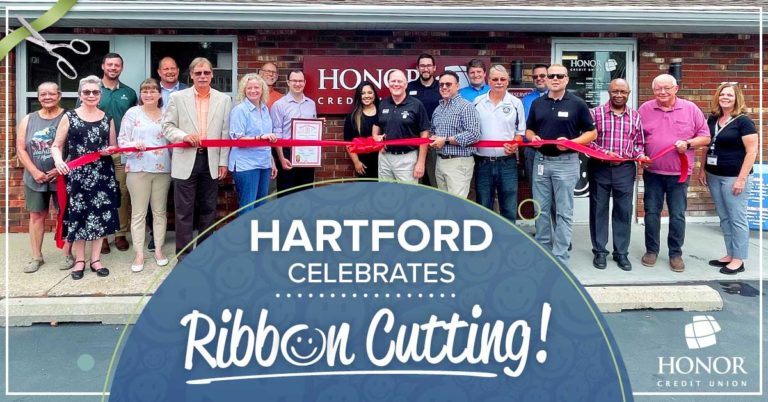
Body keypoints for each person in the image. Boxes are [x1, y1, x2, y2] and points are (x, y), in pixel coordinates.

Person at [526, 64, 596, 267]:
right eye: (551, 76)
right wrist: (533, 138)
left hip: (566, 163)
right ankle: (543, 250)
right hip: (541, 161)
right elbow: (529, 130)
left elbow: (592, 133)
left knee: (564, 212)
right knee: (541, 209)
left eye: (559, 75)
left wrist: (571, 143)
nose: (555, 79)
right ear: (545, 79)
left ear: (566, 79)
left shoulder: (577, 103)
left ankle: (560, 256)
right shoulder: (538, 103)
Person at [638, 74, 710, 272]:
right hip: (652, 172)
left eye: (666, 88)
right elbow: (636, 138)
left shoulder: (690, 109)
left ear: (675, 89)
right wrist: (641, 154)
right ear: (653, 91)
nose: (662, 92)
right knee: (651, 213)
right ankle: (651, 250)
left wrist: (688, 143)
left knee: (677, 215)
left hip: (679, 174)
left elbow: (705, 137)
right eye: (658, 89)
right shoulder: (645, 109)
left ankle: (675, 253)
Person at [162, 57, 232, 260]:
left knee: (209, 209)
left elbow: (225, 134)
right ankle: (184, 256)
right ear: (191, 75)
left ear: (212, 75)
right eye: (198, 73)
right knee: (183, 211)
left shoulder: (223, 100)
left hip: (210, 161)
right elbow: (167, 126)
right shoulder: (177, 97)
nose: (203, 76)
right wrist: (183, 136)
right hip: (185, 160)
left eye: (206, 73)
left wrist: (223, 162)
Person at [51, 75, 119, 280]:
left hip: (102, 175)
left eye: (95, 92)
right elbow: (56, 145)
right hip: (78, 176)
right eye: (87, 92)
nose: (91, 95)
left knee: (100, 217)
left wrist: (110, 151)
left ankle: (96, 260)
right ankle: (80, 260)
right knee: (79, 218)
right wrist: (58, 161)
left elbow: (113, 147)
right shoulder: (69, 116)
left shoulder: (108, 118)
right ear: (80, 94)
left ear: (100, 94)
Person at [698, 83, 758, 275]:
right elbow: (707, 145)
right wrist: (702, 169)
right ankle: (730, 253)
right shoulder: (714, 118)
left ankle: (738, 259)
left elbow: (752, 151)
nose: (725, 97)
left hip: (733, 177)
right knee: (724, 217)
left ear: (736, 98)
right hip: (714, 175)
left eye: (729, 95)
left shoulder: (744, 122)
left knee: (737, 218)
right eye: (722, 94)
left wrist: (741, 179)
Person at [588, 79, 647, 271]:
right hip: (600, 167)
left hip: (625, 169)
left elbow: (638, 143)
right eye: (615, 91)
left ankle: (621, 253)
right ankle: (599, 252)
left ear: (628, 93)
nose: (619, 95)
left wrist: (640, 156)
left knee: (623, 211)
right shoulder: (595, 113)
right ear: (609, 92)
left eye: (623, 91)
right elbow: (588, 141)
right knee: (599, 209)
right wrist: (605, 154)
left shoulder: (636, 116)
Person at [15, 82, 73, 273]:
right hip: (35, 177)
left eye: (51, 94)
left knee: (65, 215)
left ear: (59, 95)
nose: (47, 97)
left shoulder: (68, 117)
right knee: (36, 216)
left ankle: (67, 254)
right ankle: (36, 257)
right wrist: (33, 171)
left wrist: (61, 169)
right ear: (38, 97)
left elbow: (75, 148)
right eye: (43, 94)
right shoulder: (29, 119)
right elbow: (21, 148)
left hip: (62, 177)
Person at [117, 78, 171, 273]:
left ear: (159, 94)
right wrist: (132, 147)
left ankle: (158, 250)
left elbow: (174, 137)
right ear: (141, 94)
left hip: (162, 169)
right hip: (138, 169)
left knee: (159, 212)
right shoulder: (132, 113)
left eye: (152, 91)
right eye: (145, 91)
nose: (149, 94)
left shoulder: (167, 113)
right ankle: (139, 253)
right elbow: (121, 140)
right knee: (139, 214)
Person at [96, 53, 137, 254]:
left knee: (122, 193)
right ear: (103, 66)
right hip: (97, 153)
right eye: (109, 64)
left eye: (117, 65)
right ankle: (102, 235)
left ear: (121, 68)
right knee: (100, 194)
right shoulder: (93, 91)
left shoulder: (129, 93)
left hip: (121, 152)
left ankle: (120, 233)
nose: (113, 68)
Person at [473, 65, 525, 222]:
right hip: (482, 162)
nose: (499, 82)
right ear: (488, 81)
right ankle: (485, 241)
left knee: (508, 206)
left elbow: (520, 132)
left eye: (502, 79)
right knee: (483, 205)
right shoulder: (477, 102)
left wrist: (515, 144)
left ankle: (508, 242)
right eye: (495, 79)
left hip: (507, 162)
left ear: (508, 81)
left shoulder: (516, 103)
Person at [229, 73, 278, 213]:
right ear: (243, 90)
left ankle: (256, 234)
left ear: (262, 89)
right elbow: (237, 139)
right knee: (248, 206)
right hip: (246, 165)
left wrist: (272, 161)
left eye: (256, 87)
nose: (253, 91)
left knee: (261, 205)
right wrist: (260, 137)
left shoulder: (264, 109)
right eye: (249, 88)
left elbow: (268, 139)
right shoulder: (240, 110)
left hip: (264, 162)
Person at [372, 69, 430, 183]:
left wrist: (421, 162)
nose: (396, 84)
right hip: (385, 158)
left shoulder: (416, 104)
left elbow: (424, 133)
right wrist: (376, 138)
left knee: (408, 196)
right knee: (384, 194)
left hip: (407, 158)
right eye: (393, 81)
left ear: (406, 84)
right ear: (388, 84)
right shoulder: (383, 103)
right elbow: (376, 126)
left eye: (400, 81)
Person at [429, 70, 480, 197]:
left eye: (448, 84)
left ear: (457, 86)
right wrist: (434, 139)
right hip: (440, 161)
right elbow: (434, 132)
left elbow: (474, 134)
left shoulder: (466, 107)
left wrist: (445, 140)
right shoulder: (438, 109)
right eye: (441, 85)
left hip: (459, 162)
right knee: (445, 204)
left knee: (457, 206)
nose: (444, 87)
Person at [270, 70, 317, 196]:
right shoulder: (279, 105)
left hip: (307, 155)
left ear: (305, 83)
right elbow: (276, 134)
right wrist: (281, 159)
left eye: (300, 81)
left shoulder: (311, 104)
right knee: (286, 195)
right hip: (287, 154)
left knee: (306, 194)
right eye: (294, 81)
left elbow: (313, 130)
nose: (297, 84)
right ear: (288, 82)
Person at [407, 53, 440, 187]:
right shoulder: (409, 87)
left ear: (434, 68)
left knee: (435, 181)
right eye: (422, 66)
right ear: (417, 68)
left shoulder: (441, 87)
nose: (425, 69)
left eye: (428, 66)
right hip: (414, 141)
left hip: (435, 142)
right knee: (415, 180)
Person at [343, 81, 379, 179]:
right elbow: (348, 142)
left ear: (374, 94)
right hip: (363, 163)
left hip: (384, 161)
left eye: (370, 92)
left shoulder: (383, 112)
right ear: (359, 96)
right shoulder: (352, 117)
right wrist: (356, 162)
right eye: (363, 93)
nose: (367, 96)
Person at [521, 64, 549, 184]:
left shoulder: (558, 97)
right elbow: (521, 125)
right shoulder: (525, 100)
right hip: (531, 149)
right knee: (533, 185)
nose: (539, 78)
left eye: (542, 75)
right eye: (535, 76)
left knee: (553, 188)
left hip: (552, 149)